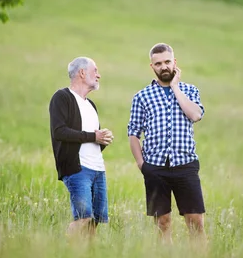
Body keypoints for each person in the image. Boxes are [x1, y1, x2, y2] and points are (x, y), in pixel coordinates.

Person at [127, 43, 206, 243]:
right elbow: (133, 132)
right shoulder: (142, 96)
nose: (164, 67)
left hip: (185, 165)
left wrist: (175, 87)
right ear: (152, 67)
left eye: (167, 62)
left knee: (196, 222)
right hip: (155, 167)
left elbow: (195, 115)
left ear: (175, 63)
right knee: (162, 223)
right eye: (159, 63)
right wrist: (141, 164)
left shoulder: (190, 90)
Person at [49, 57, 114, 237]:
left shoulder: (91, 105)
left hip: (98, 170)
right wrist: (94, 136)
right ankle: (64, 250)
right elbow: (59, 132)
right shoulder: (62, 98)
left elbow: (90, 140)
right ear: (82, 73)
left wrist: (102, 140)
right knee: (83, 218)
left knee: (93, 222)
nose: (98, 75)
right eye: (95, 71)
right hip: (78, 169)